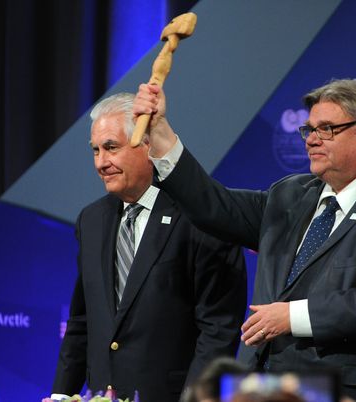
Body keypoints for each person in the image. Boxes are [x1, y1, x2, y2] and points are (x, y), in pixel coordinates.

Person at [133, 78, 356, 402]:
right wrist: (160, 136)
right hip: (265, 389)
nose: (311, 140)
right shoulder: (290, 195)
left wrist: (293, 316)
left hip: (350, 391)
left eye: (326, 129)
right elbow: (212, 205)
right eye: (309, 130)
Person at [51, 93, 247, 402]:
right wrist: (62, 395)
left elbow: (218, 330)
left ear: (146, 144)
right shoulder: (91, 220)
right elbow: (82, 322)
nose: (101, 162)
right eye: (96, 151)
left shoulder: (201, 218)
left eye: (111, 148)